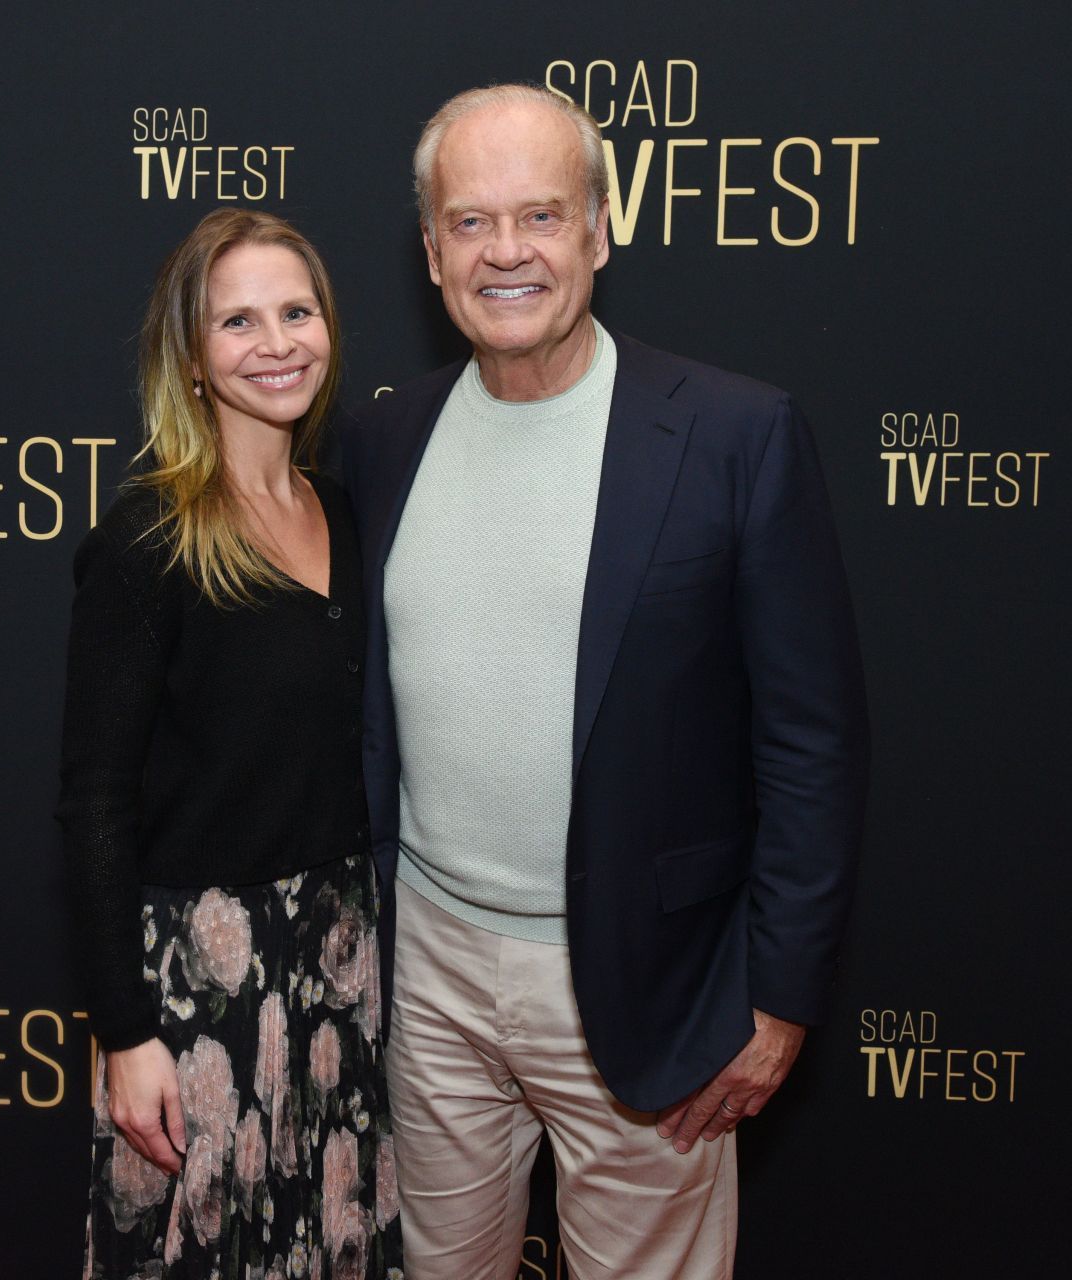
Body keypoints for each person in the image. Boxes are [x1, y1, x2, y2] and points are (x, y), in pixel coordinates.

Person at [335, 85, 868, 1279]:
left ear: (600, 230)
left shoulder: (736, 435)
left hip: (653, 980)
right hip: (429, 973)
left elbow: (812, 741)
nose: (507, 252)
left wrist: (776, 998)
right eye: (470, 223)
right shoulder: (382, 442)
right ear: (431, 252)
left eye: (541, 215)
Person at [58, 207, 403, 1279]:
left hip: (343, 964)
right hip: (203, 984)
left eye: (297, 311)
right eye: (238, 321)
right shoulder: (148, 539)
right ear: (193, 359)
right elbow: (95, 799)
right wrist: (127, 1031)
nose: (277, 341)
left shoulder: (347, 516)